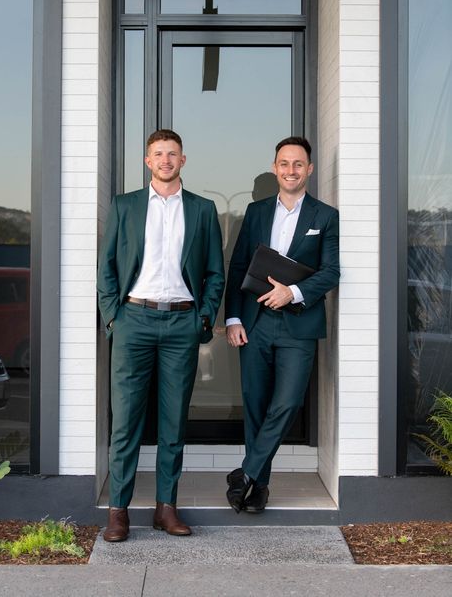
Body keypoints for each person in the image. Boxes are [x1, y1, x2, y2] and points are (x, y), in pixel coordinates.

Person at [97, 129, 224, 541]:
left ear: (183, 161)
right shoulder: (125, 206)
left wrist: (202, 319)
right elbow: (108, 269)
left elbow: (214, 274)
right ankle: (119, 511)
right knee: (126, 421)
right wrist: (114, 318)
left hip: (181, 325)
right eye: (158, 154)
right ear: (147, 161)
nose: (166, 160)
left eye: (173, 154)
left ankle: (165, 508)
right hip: (133, 320)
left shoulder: (203, 210)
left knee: (173, 423)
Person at [224, 136, 339, 513]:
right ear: (275, 168)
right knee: (255, 405)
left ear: (309, 169)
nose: (291, 170)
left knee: (287, 403)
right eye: (284, 163)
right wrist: (234, 317)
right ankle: (258, 486)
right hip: (255, 323)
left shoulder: (325, 216)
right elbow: (238, 266)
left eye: (298, 164)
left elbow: (331, 273)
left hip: (298, 326)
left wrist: (293, 292)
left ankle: (246, 472)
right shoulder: (255, 212)